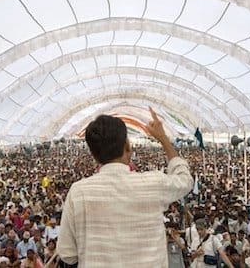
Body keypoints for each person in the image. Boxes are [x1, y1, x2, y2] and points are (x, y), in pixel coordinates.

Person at [57, 108, 194, 267]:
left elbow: (68, 253)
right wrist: (163, 138)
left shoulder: (78, 192)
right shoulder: (152, 183)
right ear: (127, 145)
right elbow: (185, 180)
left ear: (93, 154)